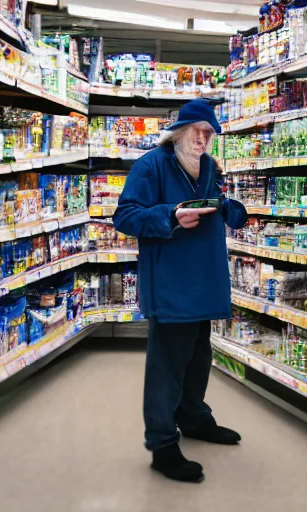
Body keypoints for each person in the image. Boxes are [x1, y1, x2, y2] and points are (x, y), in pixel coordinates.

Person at [113, 99, 248, 483]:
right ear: (179, 132)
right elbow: (125, 215)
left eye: (209, 134)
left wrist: (229, 207)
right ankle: (162, 444)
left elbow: (220, 205)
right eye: (198, 132)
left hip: (204, 281)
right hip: (171, 284)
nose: (204, 140)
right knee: (166, 366)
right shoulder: (150, 165)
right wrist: (170, 215)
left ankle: (193, 418)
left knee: (198, 357)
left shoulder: (208, 168)